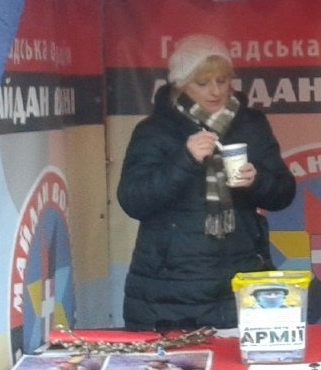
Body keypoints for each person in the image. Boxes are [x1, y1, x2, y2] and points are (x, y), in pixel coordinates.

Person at [118, 34, 296, 331]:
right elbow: (133, 199)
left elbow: (284, 193)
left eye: (222, 81)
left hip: (239, 276)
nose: (216, 91)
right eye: (202, 83)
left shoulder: (250, 124)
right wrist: (185, 160)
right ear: (181, 85)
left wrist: (257, 181)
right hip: (169, 288)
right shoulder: (155, 130)